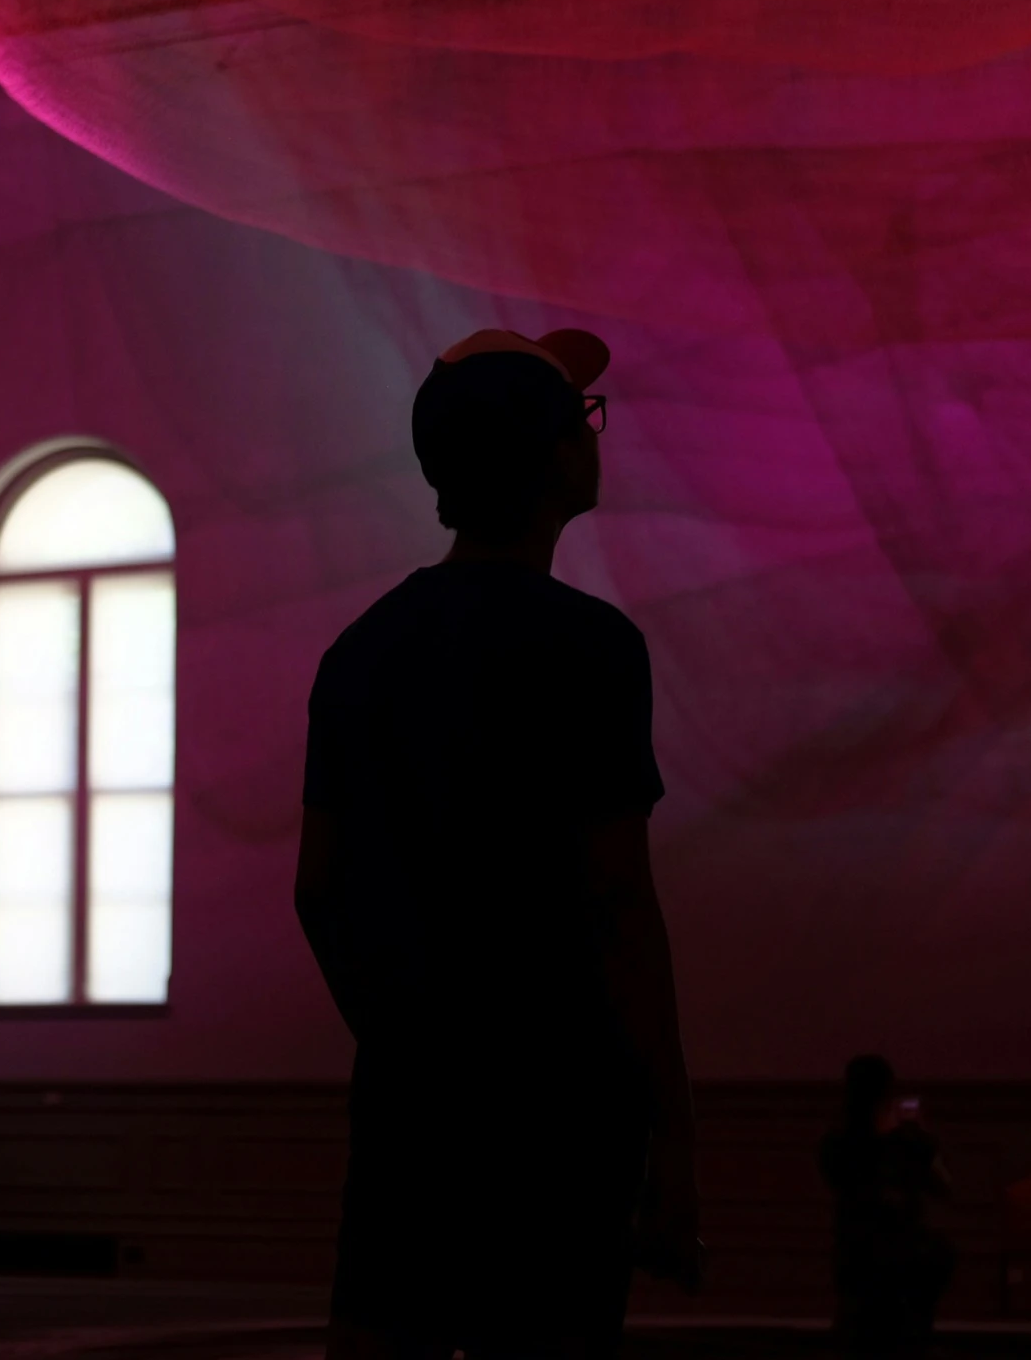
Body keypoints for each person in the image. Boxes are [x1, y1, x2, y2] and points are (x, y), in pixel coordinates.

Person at [296, 329, 700, 1360]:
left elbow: (317, 890)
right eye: (583, 419)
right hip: (560, 1110)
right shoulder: (593, 650)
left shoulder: (359, 652)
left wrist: (403, 1031)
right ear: (556, 455)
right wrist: (673, 1137)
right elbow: (618, 903)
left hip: (409, 1105)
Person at [819, 1056, 954, 1357]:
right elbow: (944, 1186)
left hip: (853, 1257)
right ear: (888, 1096)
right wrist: (918, 1135)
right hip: (905, 1262)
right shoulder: (911, 1142)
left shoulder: (834, 1144)